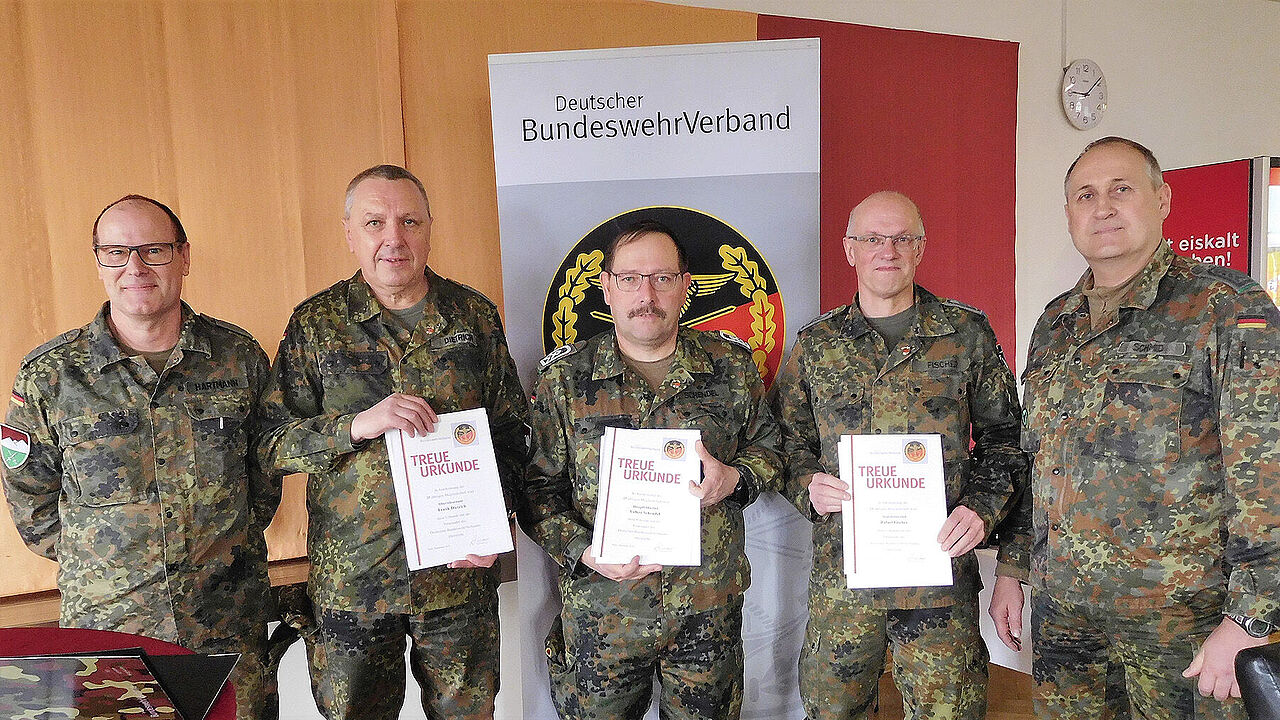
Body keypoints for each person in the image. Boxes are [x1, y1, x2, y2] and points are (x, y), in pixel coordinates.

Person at [990, 136, 1280, 718]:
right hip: (1066, 616)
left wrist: (1249, 619)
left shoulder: (1224, 306)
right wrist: (1012, 569)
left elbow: (1267, 474)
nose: (1103, 208)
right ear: (1069, 214)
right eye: (1085, 195)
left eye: (1121, 189)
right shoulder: (1056, 322)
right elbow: (1038, 457)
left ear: (1162, 198)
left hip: (1182, 621)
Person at [258, 164, 529, 720]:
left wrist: (495, 520)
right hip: (354, 583)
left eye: (409, 222)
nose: (393, 239)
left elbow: (512, 435)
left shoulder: (472, 316)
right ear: (350, 232)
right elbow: (271, 444)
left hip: (458, 577)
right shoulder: (316, 325)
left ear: (430, 229)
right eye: (375, 222)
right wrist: (355, 425)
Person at [1, 195, 280, 720]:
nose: (135, 267)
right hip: (109, 631)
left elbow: (263, 476)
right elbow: (31, 499)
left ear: (183, 257)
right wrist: (109, 562)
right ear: (98, 261)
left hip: (226, 624)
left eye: (153, 250)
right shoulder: (50, 375)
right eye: (116, 252)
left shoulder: (237, 356)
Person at [770, 191, 1024, 719]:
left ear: (920, 248)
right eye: (873, 239)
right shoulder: (817, 345)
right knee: (833, 711)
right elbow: (786, 444)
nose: (888, 250)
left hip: (938, 582)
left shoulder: (965, 334)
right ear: (849, 250)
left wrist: (982, 509)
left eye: (902, 238)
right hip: (844, 585)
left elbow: (1006, 443)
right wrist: (807, 487)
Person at [521, 220, 782, 720]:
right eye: (630, 278)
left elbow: (770, 450)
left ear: (686, 286)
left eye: (662, 278)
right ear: (606, 287)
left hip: (706, 612)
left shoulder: (730, 366)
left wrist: (736, 478)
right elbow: (536, 491)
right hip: (604, 616)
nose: (646, 294)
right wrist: (586, 551)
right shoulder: (565, 381)